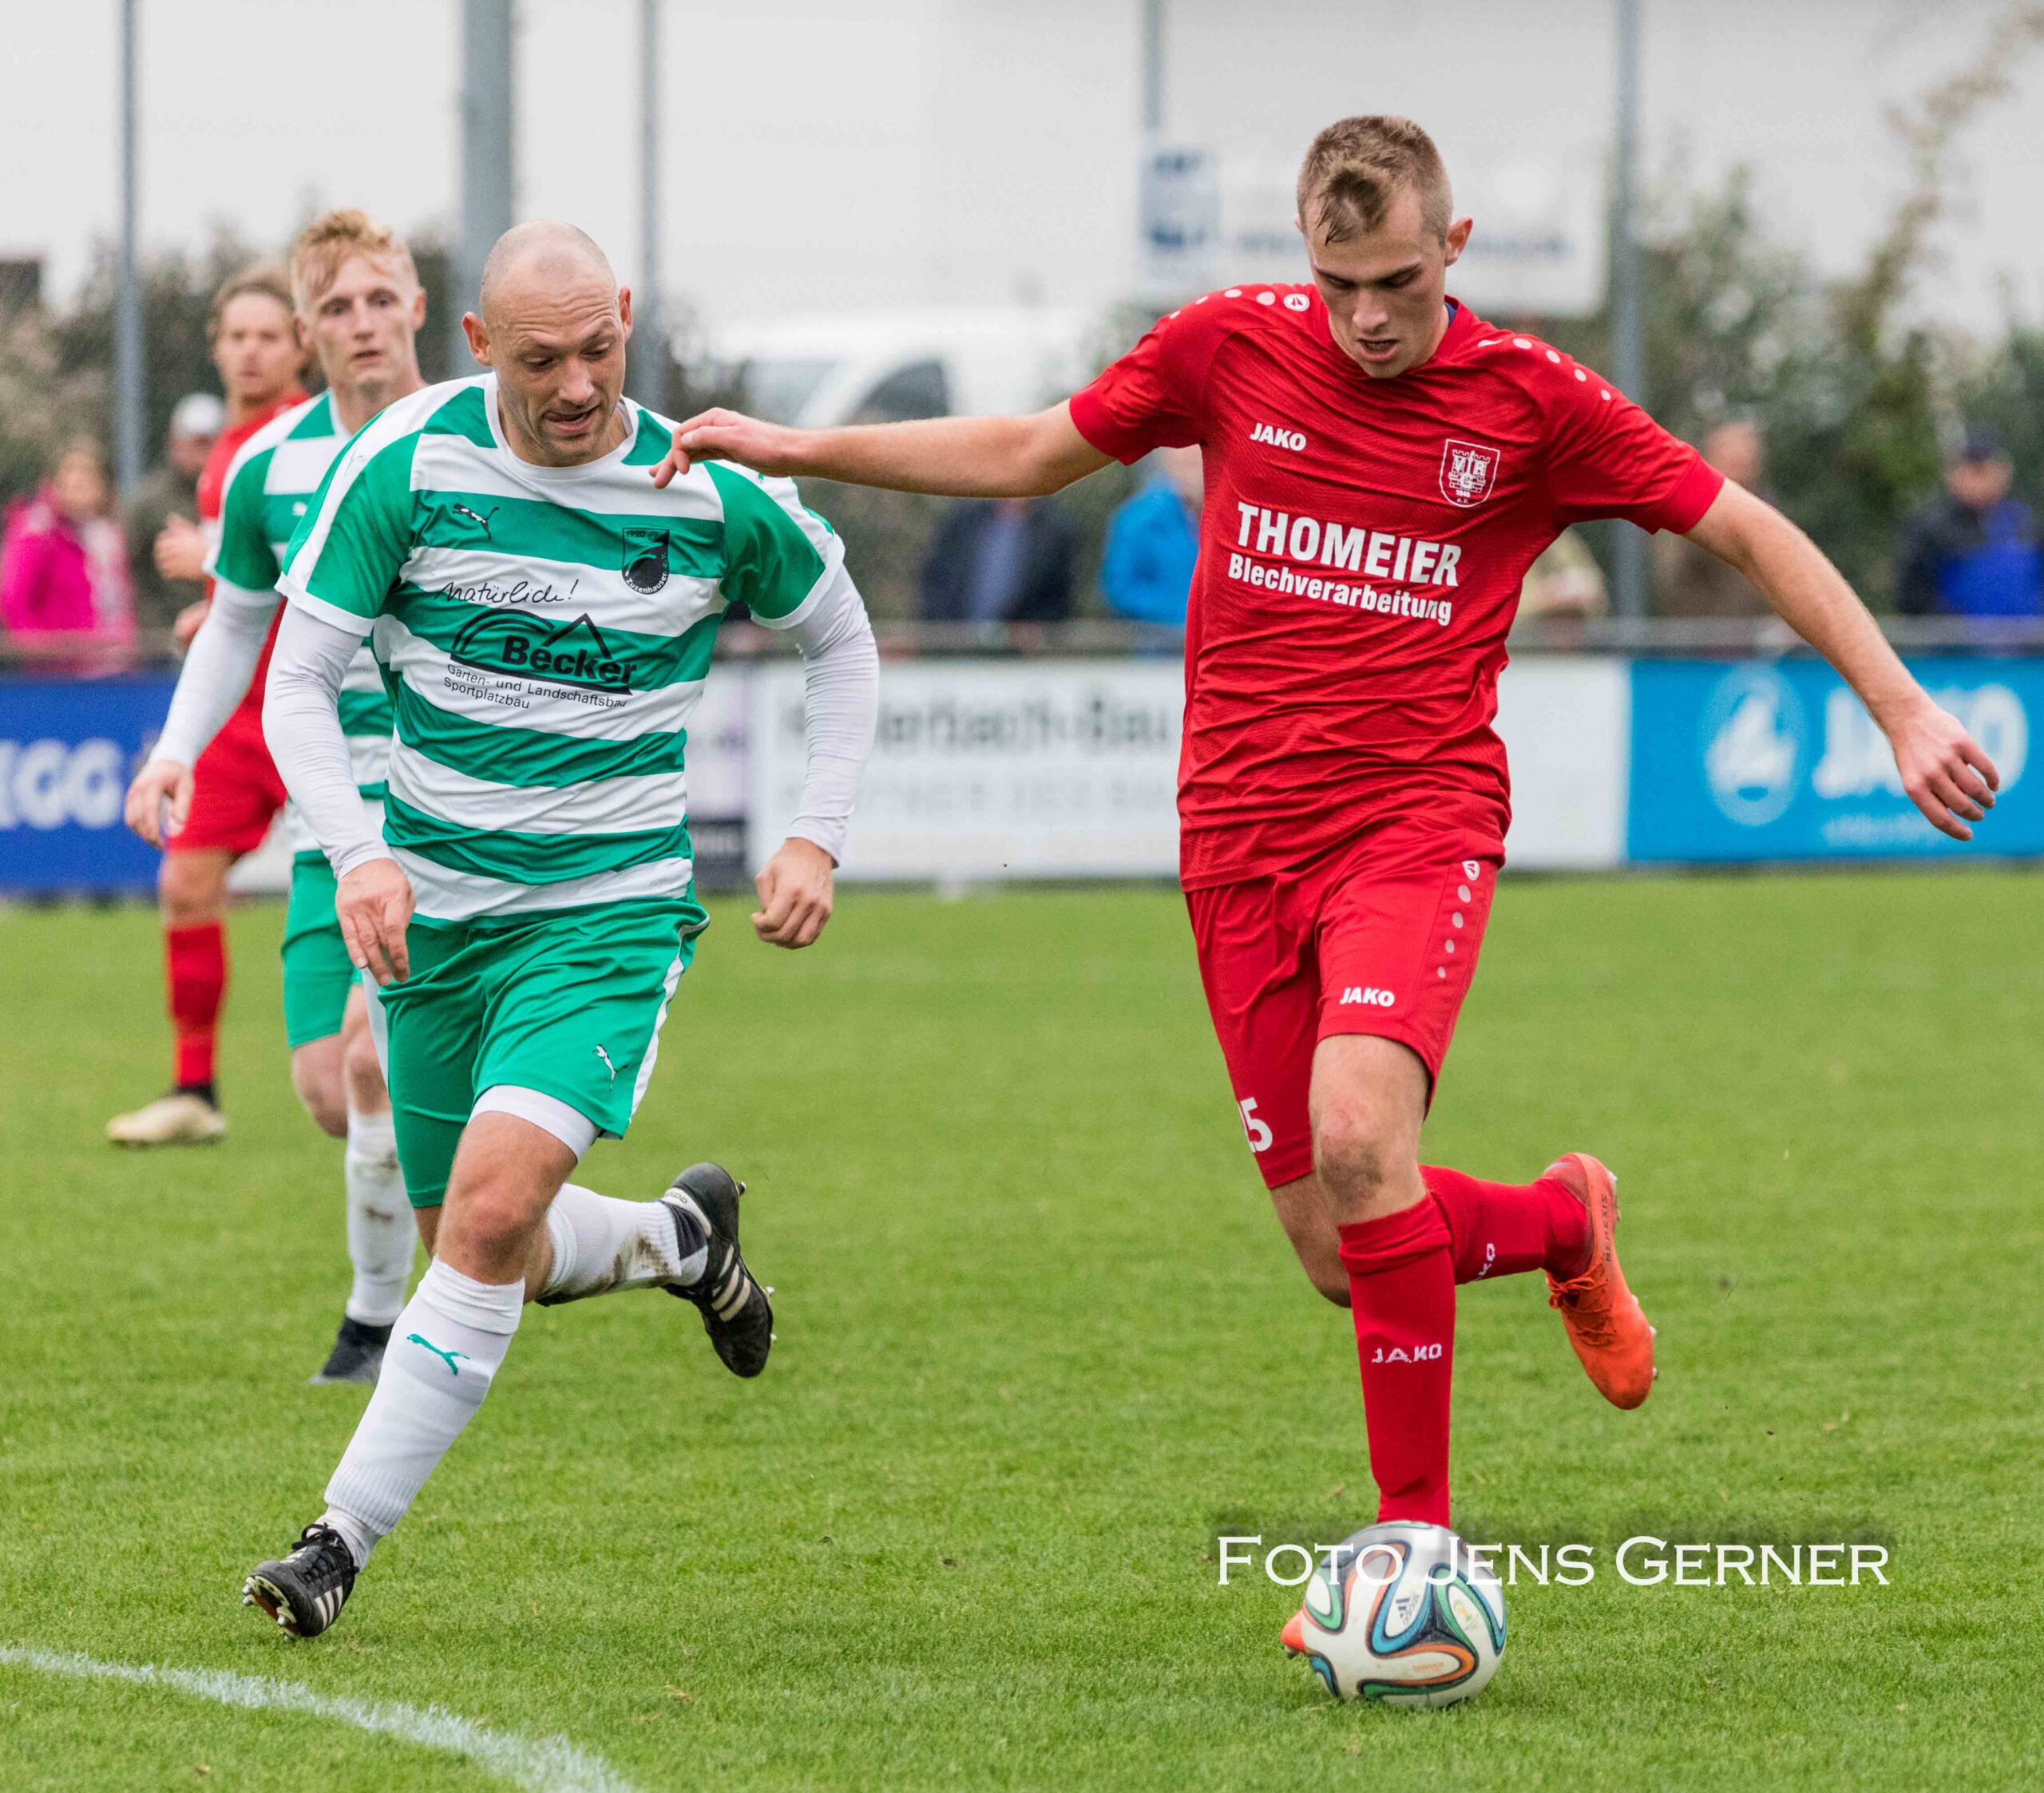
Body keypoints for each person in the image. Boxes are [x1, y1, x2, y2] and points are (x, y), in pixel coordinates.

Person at [654, 115, 1996, 1623]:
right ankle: (1561, 1220)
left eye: (1400, 282)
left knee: (1362, 1141)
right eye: (1338, 282)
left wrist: (1901, 705)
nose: (1367, 316)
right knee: (1341, 1254)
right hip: (1236, 847)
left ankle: (1411, 1551)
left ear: (1455, 249)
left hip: (1414, 824)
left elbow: (1744, 528)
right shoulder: (1229, 348)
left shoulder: (1534, 401)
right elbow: (1033, 450)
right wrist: (794, 447)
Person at [238, 220, 878, 1639]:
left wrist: (816, 830)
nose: (580, 385)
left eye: (601, 349)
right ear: (479, 345)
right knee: (491, 1245)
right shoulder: (406, 464)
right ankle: (681, 1240)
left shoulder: (708, 489)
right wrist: (359, 854)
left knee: (482, 1215)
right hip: (435, 925)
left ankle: (336, 1540)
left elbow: (840, 637)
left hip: (603, 920)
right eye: (543, 361)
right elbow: (298, 681)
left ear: (628, 317)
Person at [125, 211, 433, 1385]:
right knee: (328, 1091)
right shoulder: (268, 466)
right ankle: (630, 1230)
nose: (362, 324)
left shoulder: (475, 435)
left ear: (417, 308)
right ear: (310, 329)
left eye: (380, 300)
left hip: (445, 809)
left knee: (371, 1064)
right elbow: (234, 623)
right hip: (328, 816)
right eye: (336, 306)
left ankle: (375, 1329)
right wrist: (176, 748)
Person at [105, 267, 308, 1148]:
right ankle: (196, 1087)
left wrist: (215, 558)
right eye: (237, 335)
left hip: (323, 704)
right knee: (185, 882)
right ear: (217, 347)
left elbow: (341, 554)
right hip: (236, 707)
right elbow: (253, 585)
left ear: (301, 346)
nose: (252, 350)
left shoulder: (316, 435)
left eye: (270, 335)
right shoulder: (226, 448)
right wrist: (218, 603)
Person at [0, 439, 135, 667]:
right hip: (57, 671)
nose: (78, 480)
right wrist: (41, 653)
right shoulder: (39, 532)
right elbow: (13, 600)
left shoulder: (109, 536)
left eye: (87, 471)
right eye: (70, 471)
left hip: (112, 666)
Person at [1897, 430, 2043, 619]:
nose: (1977, 482)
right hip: (1956, 637)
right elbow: (1912, 597)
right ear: (1953, 475)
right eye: (1972, 472)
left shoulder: (2026, 523)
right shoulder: (1930, 529)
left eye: (1985, 471)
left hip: (2028, 636)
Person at [123, 393, 226, 635]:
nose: (202, 452)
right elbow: (124, 567)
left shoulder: (236, 491)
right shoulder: (149, 501)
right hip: (161, 636)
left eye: (209, 442)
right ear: (175, 442)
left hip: (223, 627)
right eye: (195, 442)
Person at [1652, 419, 1775, 619]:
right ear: (1710, 455)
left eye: (1745, 449)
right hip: (1702, 625)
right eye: (1729, 448)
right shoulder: (1686, 505)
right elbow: (1673, 576)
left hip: (1759, 628)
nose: (1740, 455)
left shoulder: (1768, 507)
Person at [919, 494, 1075, 623]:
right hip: (952, 638)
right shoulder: (964, 519)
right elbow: (937, 575)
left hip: (1013, 646)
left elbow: (1056, 597)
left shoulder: (1054, 533)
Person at [1099, 442, 1200, 630]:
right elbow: (1120, 588)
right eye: (1186, 463)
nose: (1193, 474)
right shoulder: (1138, 518)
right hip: (1159, 638)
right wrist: (1183, 612)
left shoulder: (1231, 512)